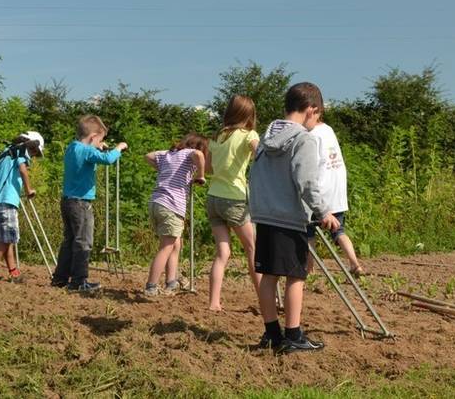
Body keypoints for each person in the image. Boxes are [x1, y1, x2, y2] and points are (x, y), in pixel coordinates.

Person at [249, 82, 340, 354]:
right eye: (318, 114)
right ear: (311, 109)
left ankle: (272, 333)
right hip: (289, 219)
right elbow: (307, 181)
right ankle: (293, 335)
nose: (317, 121)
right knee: (295, 277)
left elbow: (254, 177)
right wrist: (323, 211)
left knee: (268, 276)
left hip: (265, 217)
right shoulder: (304, 140)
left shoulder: (265, 140)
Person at [51, 115, 128, 292]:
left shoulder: (72, 147)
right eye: (100, 139)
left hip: (67, 201)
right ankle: (79, 281)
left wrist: (98, 147)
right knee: (83, 241)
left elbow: (89, 153)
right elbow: (108, 159)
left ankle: (60, 278)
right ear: (93, 137)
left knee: (69, 240)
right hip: (81, 203)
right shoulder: (87, 152)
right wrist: (119, 147)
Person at [206, 95, 261, 312]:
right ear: (248, 115)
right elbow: (261, 153)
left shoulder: (217, 136)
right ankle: (265, 298)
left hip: (213, 198)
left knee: (222, 253)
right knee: (253, 249)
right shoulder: (249, 135)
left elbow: (209, 167)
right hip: (235, 199)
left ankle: (213, 303)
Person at [142, 134, 208, 297]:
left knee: (175, 244)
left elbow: (148, 156)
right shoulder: (190, 153)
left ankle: (171, 282)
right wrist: (200, 175)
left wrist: (163, 169)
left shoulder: (168, 154)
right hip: (171, 205)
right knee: (166, 247)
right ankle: (151, 286)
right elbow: (198, 155)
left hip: (157, 202)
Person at [305, 113, 365, 276]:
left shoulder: (310, 135)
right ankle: (355, 264)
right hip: (337, 192)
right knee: (339, 231)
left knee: (308, 231)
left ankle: (309, 269)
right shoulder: (328, 129)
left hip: (321, 192)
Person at [0, 131, 44, 284]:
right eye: (35, 152)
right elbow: (22, 170)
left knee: (7, 239)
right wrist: (29, 190)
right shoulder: (20, 152)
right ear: (31, 145)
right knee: (6, 239)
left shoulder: (6, 152)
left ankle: (14, 273)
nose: (34, 156)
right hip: (7, 201)